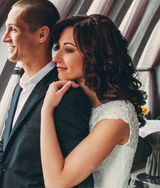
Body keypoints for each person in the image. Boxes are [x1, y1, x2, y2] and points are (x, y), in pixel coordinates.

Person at [0, 0, 93, 188]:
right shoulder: (20, 87)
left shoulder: (67, 95)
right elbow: (5, 147)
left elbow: (78, 180)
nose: (5, 37)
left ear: (42, 34)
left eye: (13, 29)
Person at [40, 14, 146, 188]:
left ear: (94, 55)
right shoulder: (82, 105)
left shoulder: (117, 116)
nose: (55, 58)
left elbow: (56, 183)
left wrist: (46, 111)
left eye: (68, 50)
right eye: (57, 48)